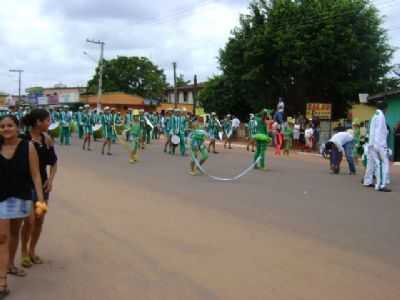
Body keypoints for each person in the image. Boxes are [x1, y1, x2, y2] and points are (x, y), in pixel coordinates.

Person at [0, 114, 46, 296]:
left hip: (21, 197)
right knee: (2, 238)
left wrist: (40, 201)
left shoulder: (28, 147)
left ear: (17, 127)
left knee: (13, 233)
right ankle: (2, 282)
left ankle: (10, 264)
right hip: (1, 198)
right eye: (2, 126)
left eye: (9, 125)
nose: (6, 129)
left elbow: (35, 175)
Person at [20, 109, 58, 269]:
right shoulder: (23, 139)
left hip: (43, 188)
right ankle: (23, 252)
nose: (50, 123)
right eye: (48, 120)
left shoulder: (46, 140)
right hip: (26, 187)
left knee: (39, 220)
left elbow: (54, 162)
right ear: (38, 122)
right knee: (29, 221)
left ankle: (32, 251)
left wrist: (50, 179)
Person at [364, 101, 391, 192]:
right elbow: (379, 131)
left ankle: (371, 183)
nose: (387, 110)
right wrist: (379, 145)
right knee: (385, 163)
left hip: (372, 143)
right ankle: (382, 185)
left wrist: (372, 144)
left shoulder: (375, 115)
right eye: (387, 108)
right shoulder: (381, 116)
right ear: (385, 108)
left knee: (374, 164)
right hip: (379, 144)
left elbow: (373, 130)